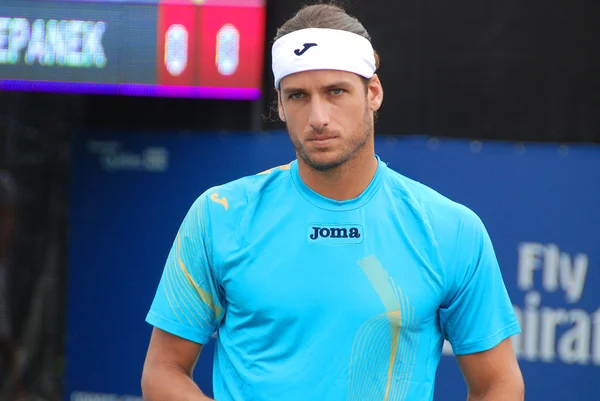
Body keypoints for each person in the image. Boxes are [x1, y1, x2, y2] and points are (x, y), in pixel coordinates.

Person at [141, 3, 524, 400]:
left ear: (372, 92)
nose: (318, 116)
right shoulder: (219, 215)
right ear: (280, 104)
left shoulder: (451, 229)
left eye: (335, 91)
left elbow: (498, 383)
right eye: (298, 96)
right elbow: (163, 370)